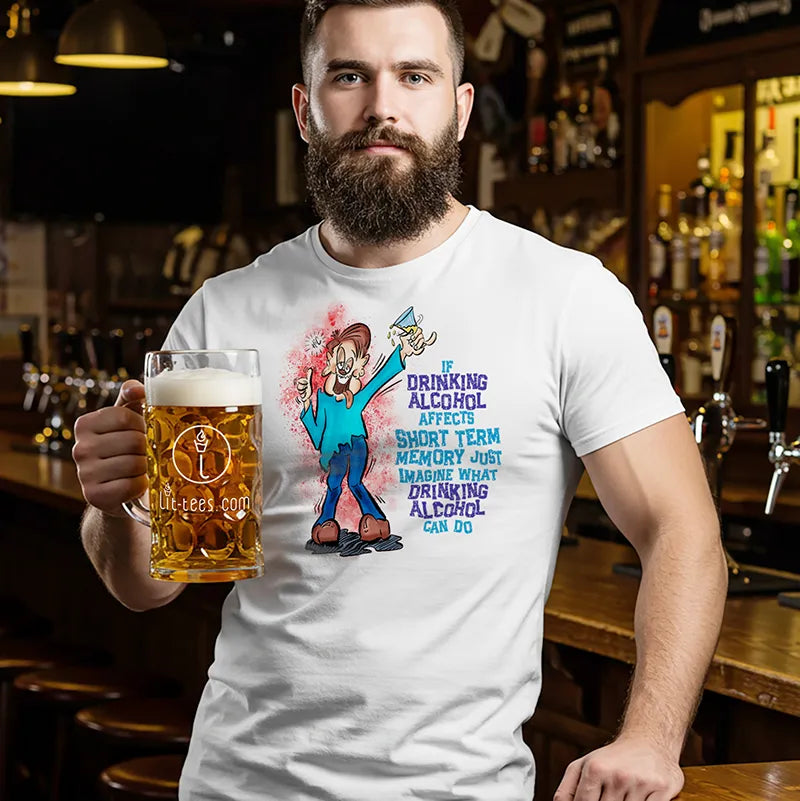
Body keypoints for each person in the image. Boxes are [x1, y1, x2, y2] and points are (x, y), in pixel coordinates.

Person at [72, 1, 728, 800]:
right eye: (350, 76)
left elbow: (682, 527)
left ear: (460, 108)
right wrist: (119, 506)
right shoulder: (225, 312)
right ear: (304, 110)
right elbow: (152, 583)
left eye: (415, 76)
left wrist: (652, 738)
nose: (382, 106)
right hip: (241, 780)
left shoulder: (564, 296)